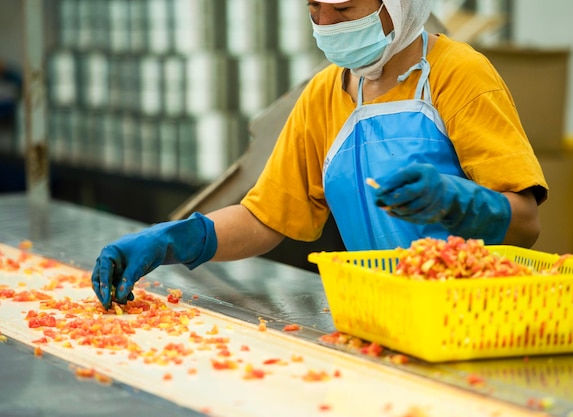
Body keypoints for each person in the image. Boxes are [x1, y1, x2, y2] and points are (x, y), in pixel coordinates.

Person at [91, 0, 548, 310]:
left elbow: (526, 222)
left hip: (472, 313)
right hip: (379, 314)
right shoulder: (324, 93)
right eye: (316, 9)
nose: (330, 25)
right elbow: (267, 217)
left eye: (346, 10)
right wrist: (172, 240)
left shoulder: (458, 74)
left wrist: (459, 203)